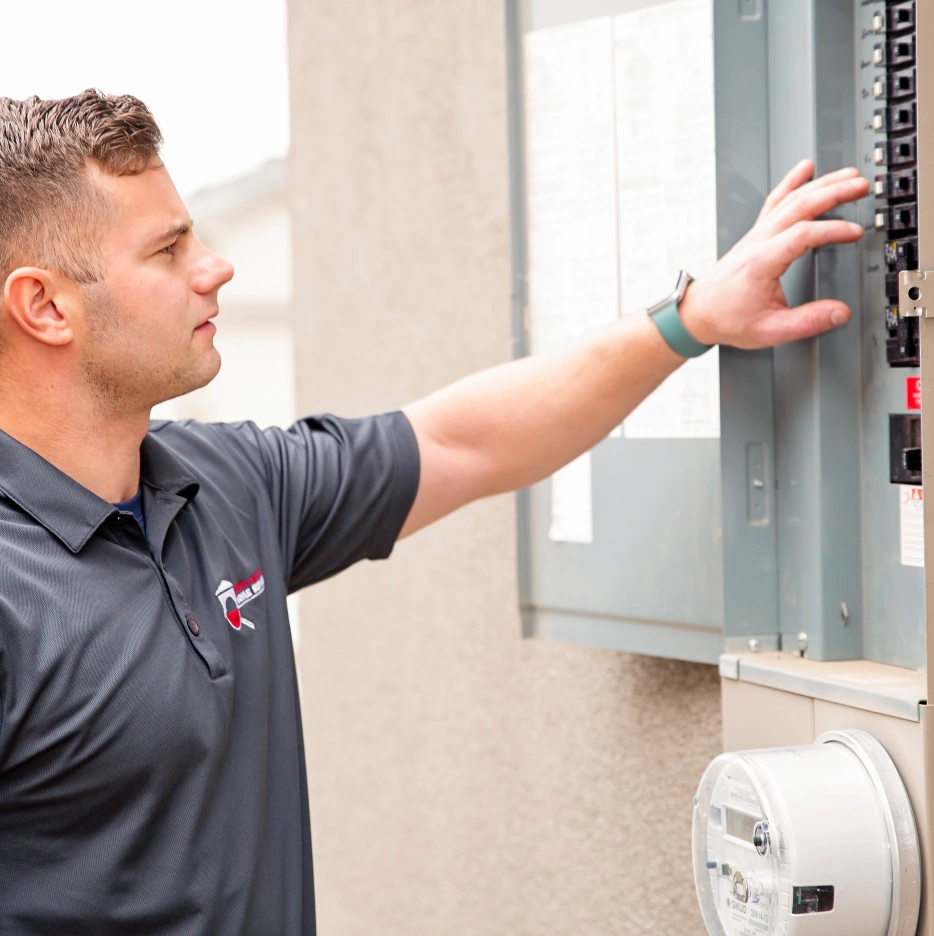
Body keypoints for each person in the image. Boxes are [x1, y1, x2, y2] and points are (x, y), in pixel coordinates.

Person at [0, 90, 868, 935]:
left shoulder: (225, 483)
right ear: (45, 307)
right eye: (168, 250)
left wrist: (691, 318)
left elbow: (463, 440)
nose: (214, 267)